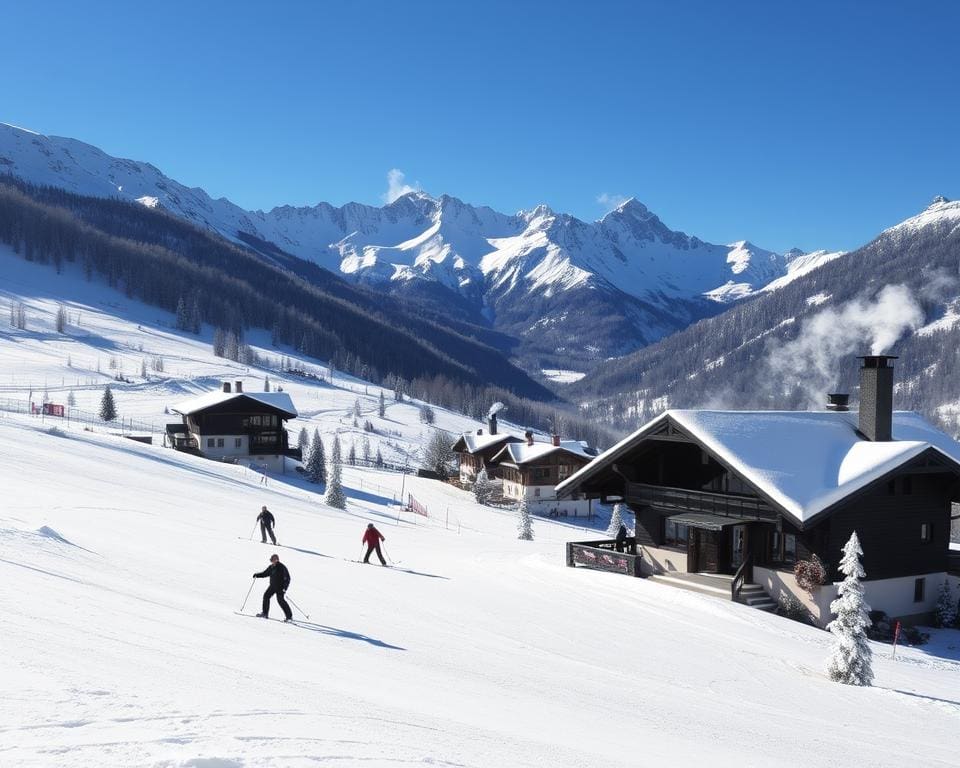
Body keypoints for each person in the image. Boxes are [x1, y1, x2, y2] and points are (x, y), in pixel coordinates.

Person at [253, 553, 292, 621]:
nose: (272, 561)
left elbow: (288, 578)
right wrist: (257, 575)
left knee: (280, 600)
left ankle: (289, 617)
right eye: (271, 560)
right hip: (272, 586)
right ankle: (265, 613)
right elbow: (265, 573)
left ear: (277, 560)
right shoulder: (271, 567)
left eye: (273, 560)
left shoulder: (281, 567)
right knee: (266, 596)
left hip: (280, 588)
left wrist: (284, 588)